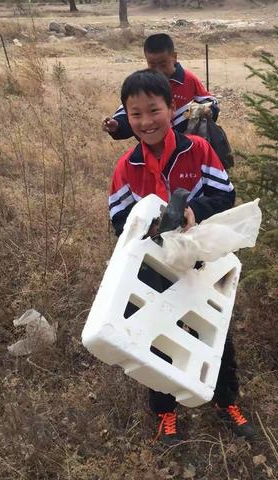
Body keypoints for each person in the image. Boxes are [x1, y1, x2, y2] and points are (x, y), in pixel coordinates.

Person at [108, 69, 256, 445]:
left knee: (214, 333)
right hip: (155, 268)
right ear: (127, 116)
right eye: (135, 114)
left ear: (172, 108)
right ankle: (166, 412)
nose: (145, 121)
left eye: (154, 110)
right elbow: (119, 220)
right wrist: (149, 223)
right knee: (157, 336)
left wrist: (194, 212)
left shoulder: (198, 150)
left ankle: (225, 402)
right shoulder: (127, 167)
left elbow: (225, 194)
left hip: (200, 262)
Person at [103, 33, 218, 140]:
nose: (158, 70)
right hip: (152, 148)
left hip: (186, 146)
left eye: (163, 64)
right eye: (152, 65)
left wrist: (205, 110)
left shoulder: (188, 79)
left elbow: (210, 102)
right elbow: (131, 111)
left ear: (174, 57)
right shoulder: (144, 84)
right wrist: (117, 125)